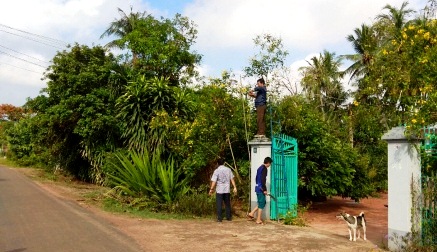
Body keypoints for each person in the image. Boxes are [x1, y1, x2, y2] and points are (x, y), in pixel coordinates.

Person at [247, 157, 272, 224]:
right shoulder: (264, 169)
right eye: (270, 164)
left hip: (257, 188)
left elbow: (256, 178)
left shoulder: (259, 168)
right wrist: (264, 189)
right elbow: (263, 179)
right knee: (261, 204)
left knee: (262, 203)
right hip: (261, 189)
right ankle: (258, 219)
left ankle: (251, 213)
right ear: (268, 163)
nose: (270, 165)